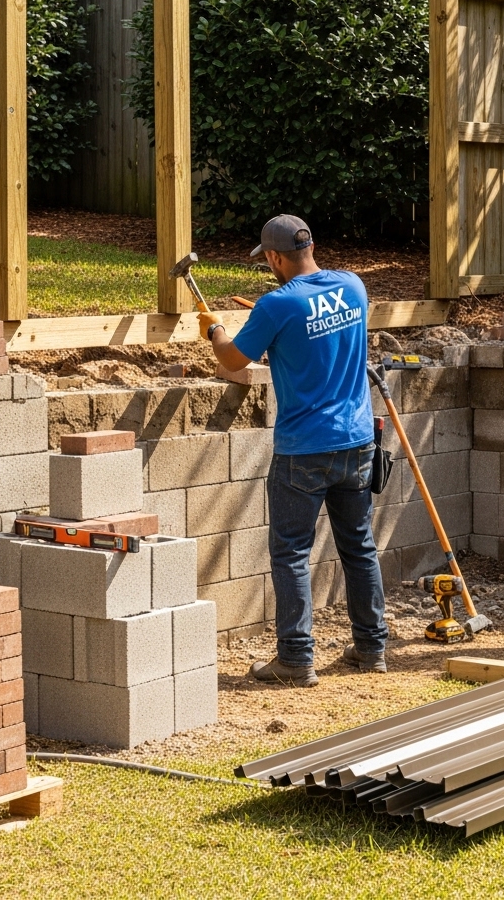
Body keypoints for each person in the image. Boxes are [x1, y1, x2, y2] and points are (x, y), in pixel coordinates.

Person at [198, 214, 388, 686]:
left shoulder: (276, 305)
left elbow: (232, 361)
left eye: (268, 259)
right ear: (311, 245)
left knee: (290, 554)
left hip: (304, 450)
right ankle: (372, 648)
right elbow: (315, 338)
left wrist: (214, 330)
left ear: (276, 257)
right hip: (357, 443)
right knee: (359, 547)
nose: (268, 266)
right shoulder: (354, 287)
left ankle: (296, 660)